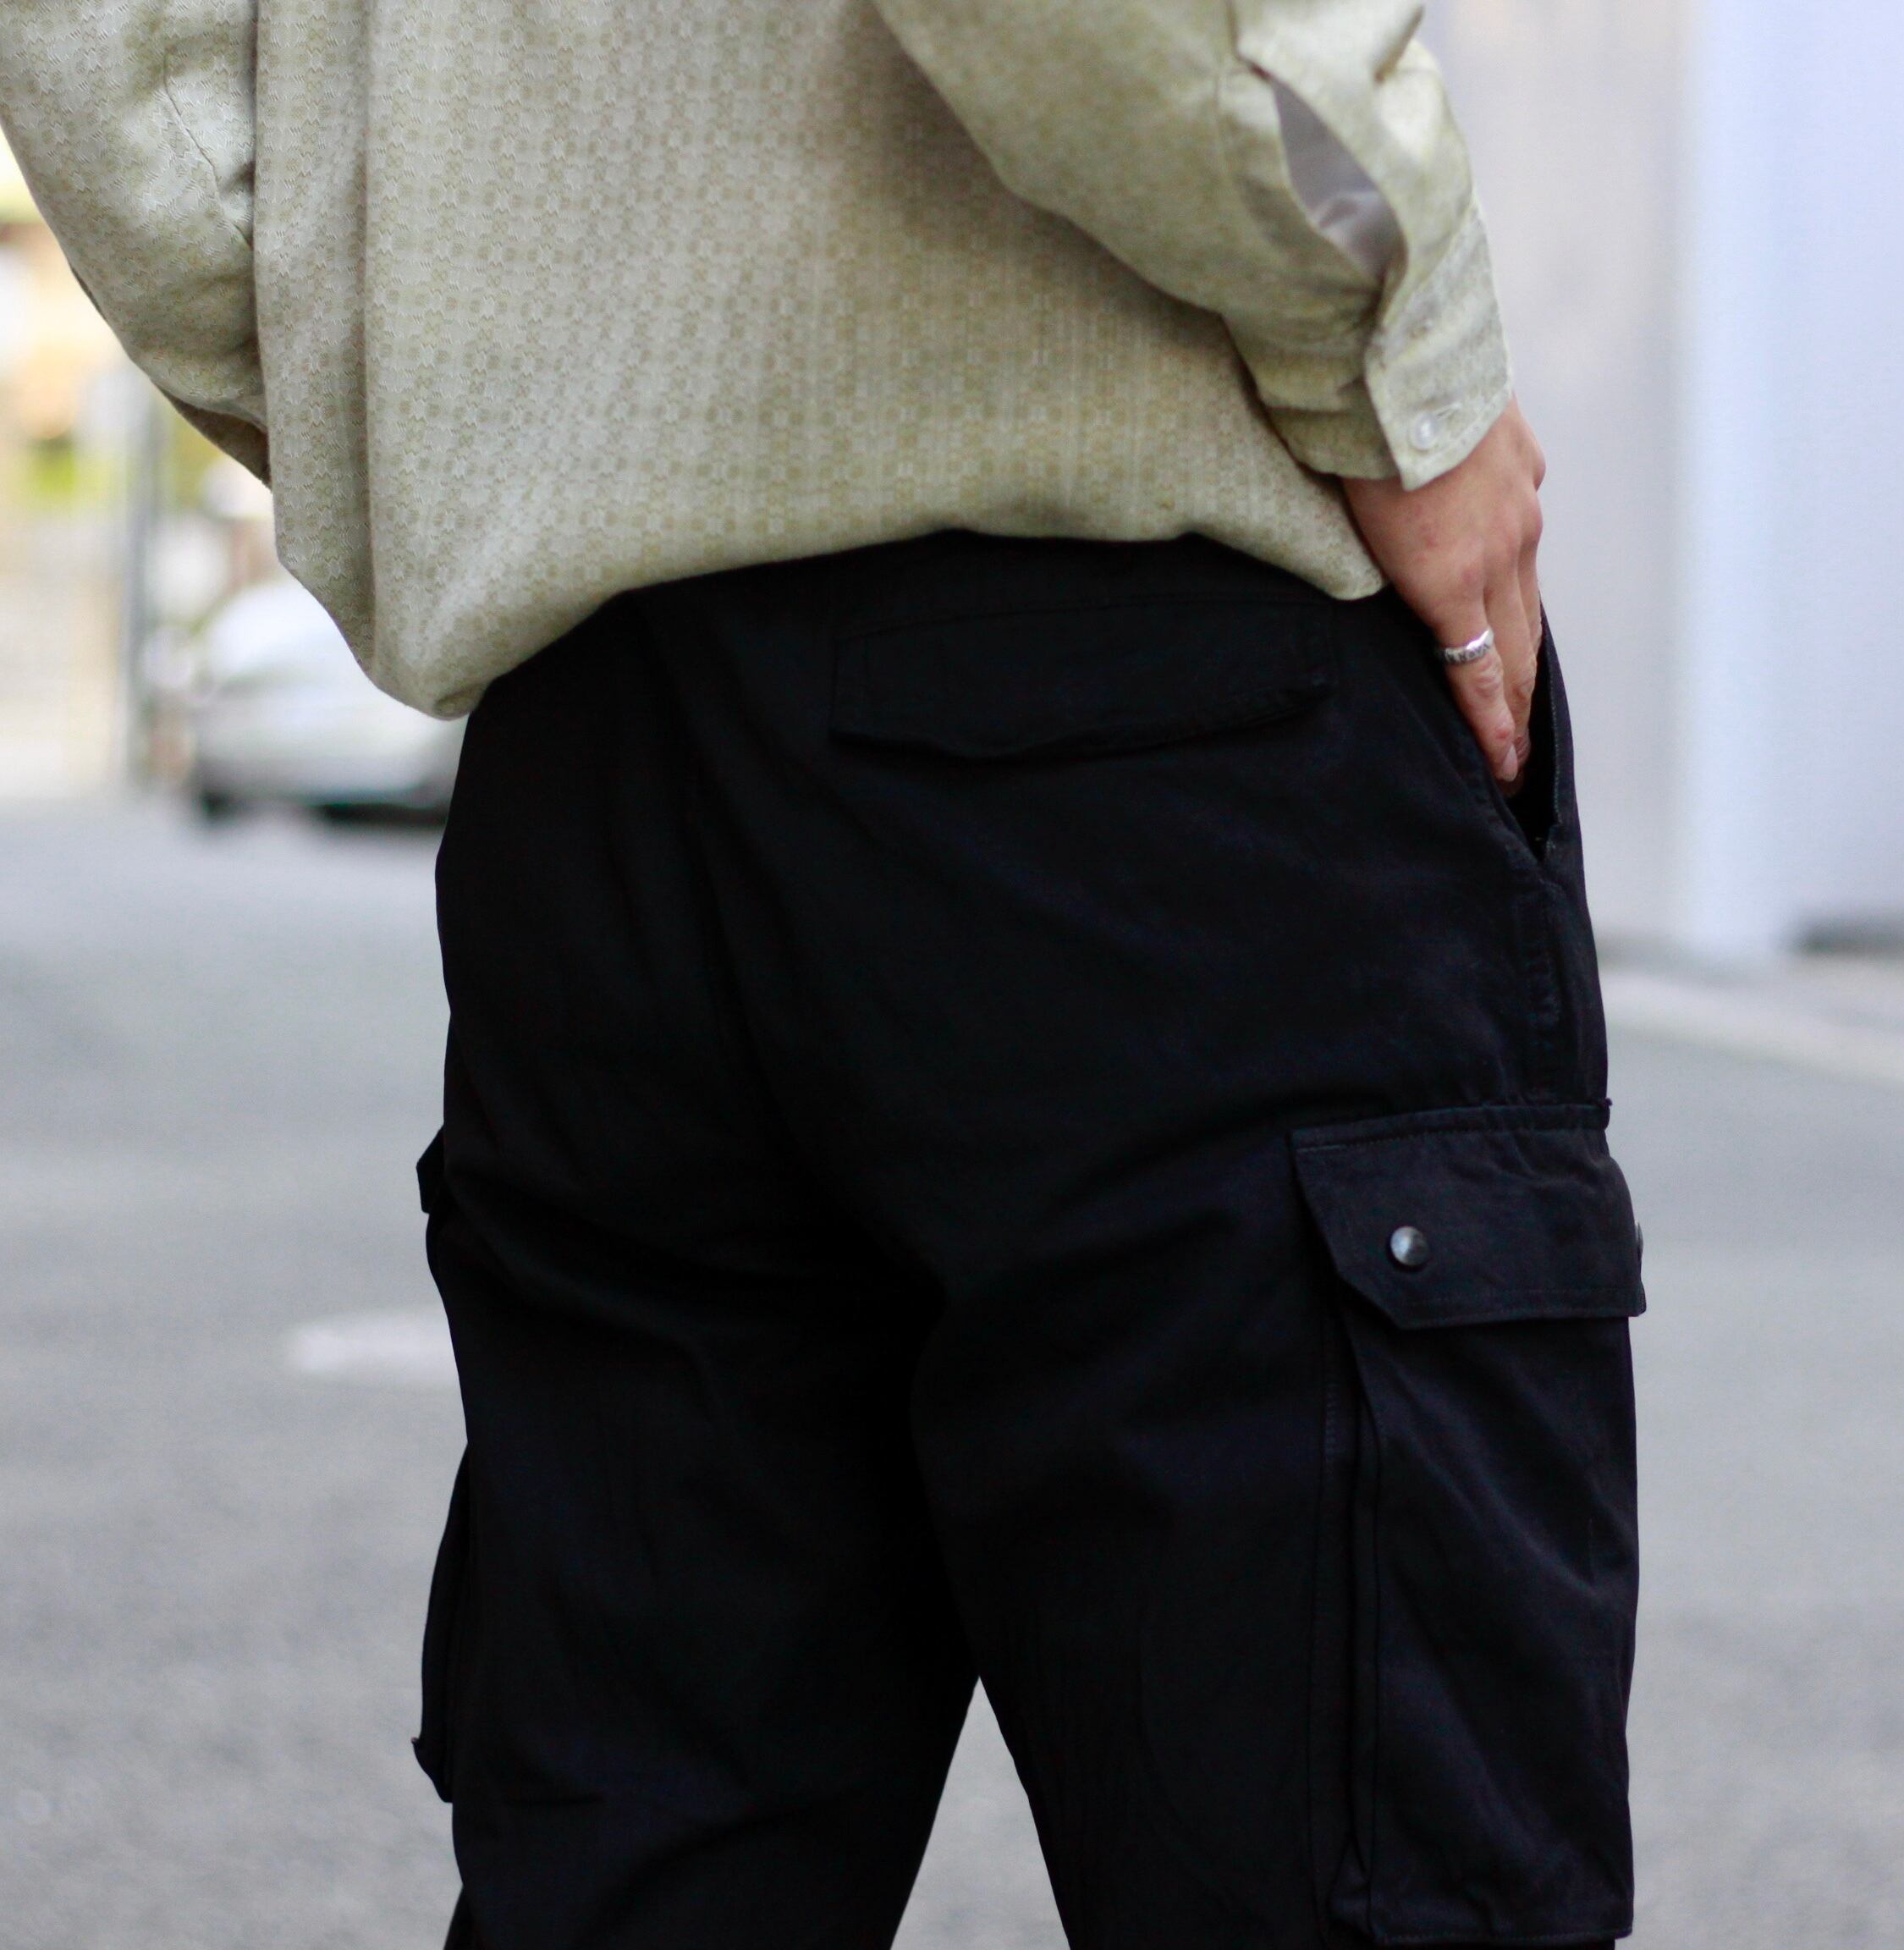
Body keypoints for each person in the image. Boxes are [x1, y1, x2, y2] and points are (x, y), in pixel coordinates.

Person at [0, 3, 1643, 1945]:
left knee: (653, 1863)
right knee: (1359, 1860)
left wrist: (414, 382)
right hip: (1152, 722)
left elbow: (105, 57)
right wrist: (1403, 359)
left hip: (611, 755)